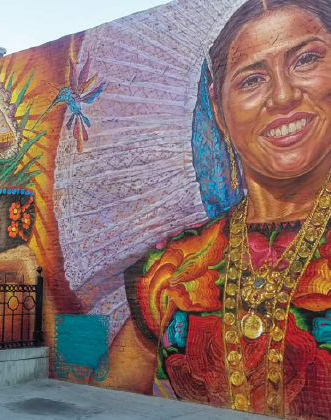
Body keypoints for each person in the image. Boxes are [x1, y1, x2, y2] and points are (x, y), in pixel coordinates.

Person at [122, 0, 331, 419]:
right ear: (219, 111)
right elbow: (109, 399)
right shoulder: (171, 267)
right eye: (252, 80)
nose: (284, 96)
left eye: (306, 59)